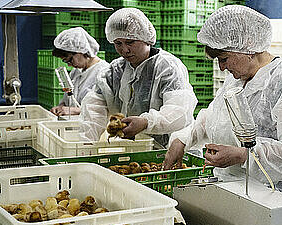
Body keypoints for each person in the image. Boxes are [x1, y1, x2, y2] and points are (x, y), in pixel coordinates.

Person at [163, 5, 282, 225]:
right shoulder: (237, 79)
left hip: (280, 202)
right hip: (241, 196)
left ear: (248, 45)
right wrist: (184, 139)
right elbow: (213, 117)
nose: (221, 67)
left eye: (224, 58)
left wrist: (243, 155)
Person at [80, 8, 197, 146]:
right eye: (118, 43)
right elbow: (94, 107)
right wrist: (86, 145)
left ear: (146, 38)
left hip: (171, 148)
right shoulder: (115, 70)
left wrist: (146, 122)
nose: (124, 50)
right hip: (136, 148)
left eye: (130, 42)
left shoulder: (167, 67)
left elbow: (179, 111)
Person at [50, 27, 109, 116]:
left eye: (70, 60)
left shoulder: (104, 72)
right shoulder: (75, 72)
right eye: (65, 61)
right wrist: (61, 107)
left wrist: (76, 110)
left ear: (81, 50)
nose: (69, 65)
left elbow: (109, 109)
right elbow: (69, 99)